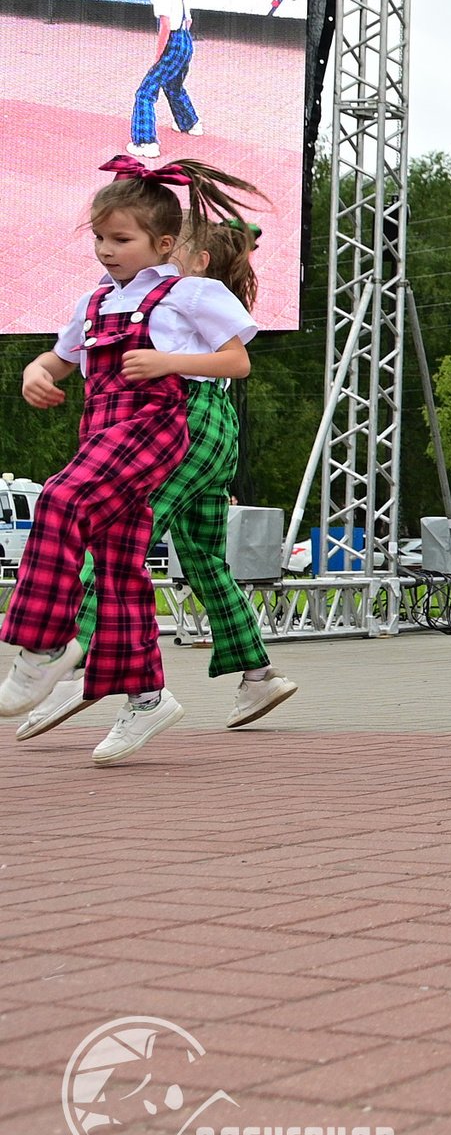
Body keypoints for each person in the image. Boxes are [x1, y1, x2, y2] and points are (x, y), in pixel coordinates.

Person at [1, 156, 266, 760]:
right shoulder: (93, 301)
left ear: (163, 243)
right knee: (118, 566)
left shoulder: (190, 293)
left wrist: (170, 362)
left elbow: (237, 361)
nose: (105, 250)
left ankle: (40, 646)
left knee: (59, 497)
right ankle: (148, 698)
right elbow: (58, 358)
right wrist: (35, 372)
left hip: (157, 427)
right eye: (98, 237)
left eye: (120, 239)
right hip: (103, 430)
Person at [131, 0, 205, 155]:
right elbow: (188, 21)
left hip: (172, 42)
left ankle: (145, 142)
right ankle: (190, 123)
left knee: (145, 93)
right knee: (173, 85)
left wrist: (158, 55)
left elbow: (164, 25)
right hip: (185, 41)